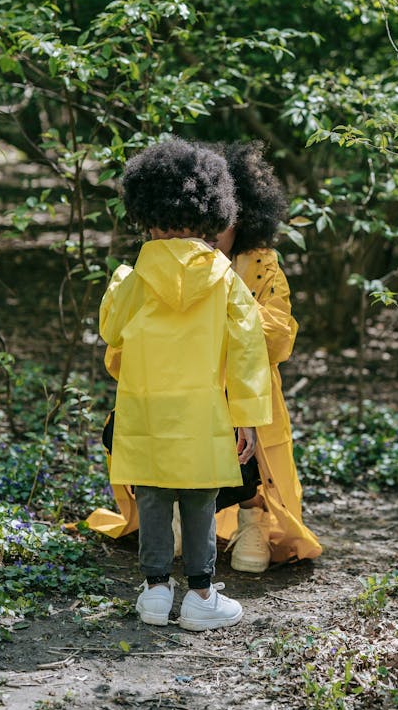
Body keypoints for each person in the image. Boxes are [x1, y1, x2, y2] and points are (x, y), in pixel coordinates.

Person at [97, 138, 272, 629]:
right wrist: (248, 419)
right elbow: (247, 351)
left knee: (152, 498)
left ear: (149, 218)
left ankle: (155, 592)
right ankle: (200, 595)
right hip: (204, 417)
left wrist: (118, 280)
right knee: (200, 500)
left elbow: (111, 331)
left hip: (146, 413)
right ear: (211, 216)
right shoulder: (226, 279)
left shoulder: (135, 278)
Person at [214, 141, 322, 572]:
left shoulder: (262, 263)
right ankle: (180, 516)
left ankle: (253, 518)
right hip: (186, 385)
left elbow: (279, 340)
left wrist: (227, 293)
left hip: (249, 392)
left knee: (249, 447)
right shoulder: (171, 256)